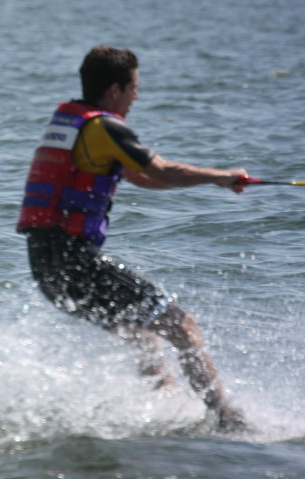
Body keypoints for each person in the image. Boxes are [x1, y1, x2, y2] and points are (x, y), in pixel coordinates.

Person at [16, 45, 248, 432]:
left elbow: (141, 177)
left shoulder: (70, 125)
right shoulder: (105, 128)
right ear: (113, 90)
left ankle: (166, 412)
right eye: (133, 88)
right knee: (182, 326)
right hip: (76, 261)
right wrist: (221, 176)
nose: (136, 96)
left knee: (142, 333)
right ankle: (228, 420)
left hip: (46, 267)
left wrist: (211, 182)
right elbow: (163, 170)